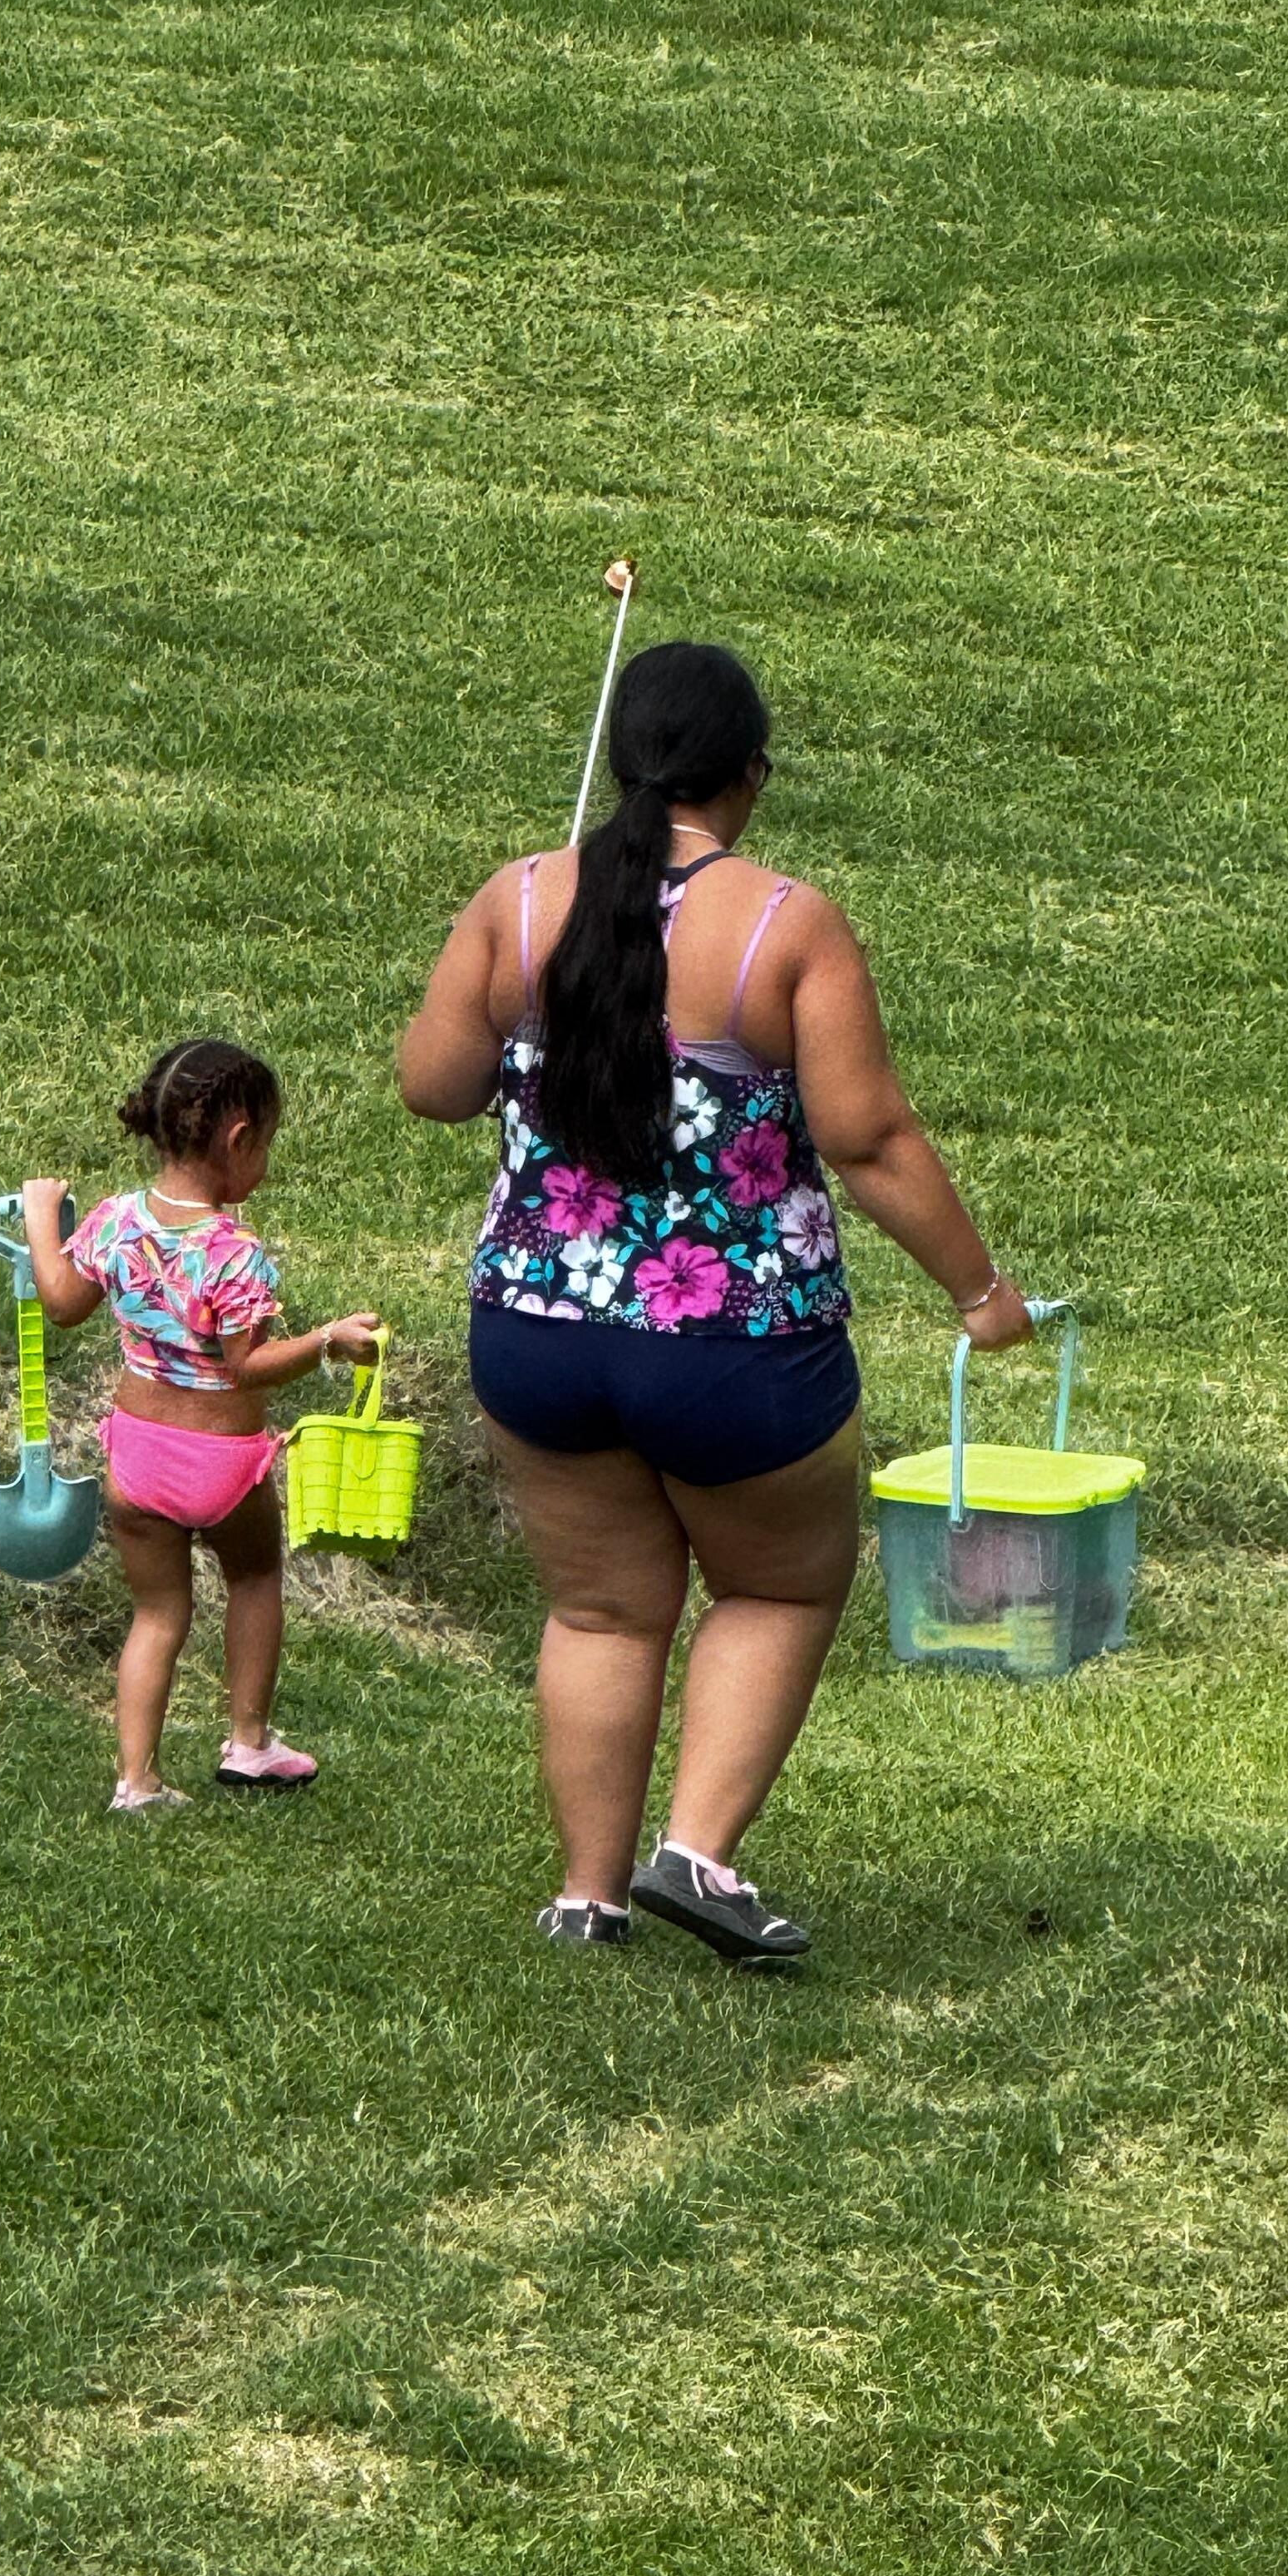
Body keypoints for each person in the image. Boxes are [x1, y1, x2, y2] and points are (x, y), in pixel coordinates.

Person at [397, 642, 1031, 1963]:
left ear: (624, 761)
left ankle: (587, 1894)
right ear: (749, 776)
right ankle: (696, 1853)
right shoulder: (785, 923)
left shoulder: (519, 901)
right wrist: (979, 1291)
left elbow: (433, 1086)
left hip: (538, 1328)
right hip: (736, 1345)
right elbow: (869, 1142)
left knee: (598, 1609)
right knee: (782, 1590)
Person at [20, 1040, 380, 1812]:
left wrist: (40, 1219)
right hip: (221, 1460)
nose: (267, 1169)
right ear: (238, 1139)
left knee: (158, 1613)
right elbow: (246, 1365)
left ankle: (136, 1781)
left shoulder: (116, 1221)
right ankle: (249, 1744)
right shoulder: (234, 1250)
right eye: (267, 1147)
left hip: (138, 1456)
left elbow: (60, 1303)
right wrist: (328, 1340)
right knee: (253, 1576)